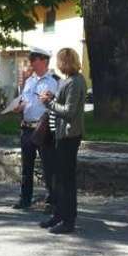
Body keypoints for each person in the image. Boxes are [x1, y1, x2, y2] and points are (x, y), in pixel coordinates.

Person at [39, 48, 86, 234]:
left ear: (64, 62)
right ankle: (59, 215)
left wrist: (48, 103)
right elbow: (63, 102)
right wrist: (52, 98)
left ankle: (68, 220)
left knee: (66, 180)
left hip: (69, 135)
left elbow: (69, 111)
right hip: (60, 134)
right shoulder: (68, 80)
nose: (57, 65)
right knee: (59, 179)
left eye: (59, 61)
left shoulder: (75, 81)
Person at [12, 46, 58, 211]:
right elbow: (24, 101)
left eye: (33, 59)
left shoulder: (52, 81)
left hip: (43, 128)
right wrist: (19, 106)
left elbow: (53, 104)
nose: (30, 63)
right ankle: (25, 199)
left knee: (49, 166)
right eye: (30, 59)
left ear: (44, 61)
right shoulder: (29, 80)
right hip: (27, 128)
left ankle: (52, 201)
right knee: (26, 167)